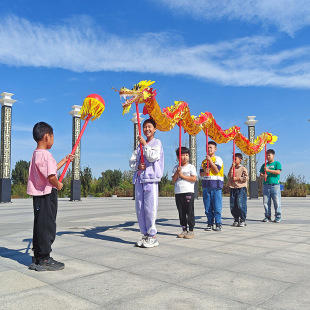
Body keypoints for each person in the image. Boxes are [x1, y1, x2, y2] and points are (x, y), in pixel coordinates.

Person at [27, 122, 74, 271]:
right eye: (53, 137)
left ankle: (39, 256)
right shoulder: (46, 155)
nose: (53, 140)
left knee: (39, 225)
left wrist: (65, 160)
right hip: (47, 194)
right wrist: (58, 184)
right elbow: (51, 175)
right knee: (48, 225)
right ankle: (45, 258)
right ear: (47, 137)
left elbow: (51, 168)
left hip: (38, 195)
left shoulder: (36, 154)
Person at [129, 118, 164, 248]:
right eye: (145, 127)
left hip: (151, 179)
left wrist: (145, 144)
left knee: (150, 208)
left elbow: (152, 157)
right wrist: (138, 166)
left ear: (155, 129)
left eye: (150, 127)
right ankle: (144, 234)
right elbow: (132, 161)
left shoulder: (157, 143)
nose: (147, 129)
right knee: (140, 208)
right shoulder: (139, 146)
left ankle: (152, 235)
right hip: (139, 179)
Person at [172, 147, 197, 239]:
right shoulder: (176, 168)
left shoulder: (191, 167)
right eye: (182, 155)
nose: (185, 157)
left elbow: (194, 178)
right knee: (181, 212)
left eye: (187, 155)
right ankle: (184, 229)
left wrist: (182, 175)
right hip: (178, 192)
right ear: (178, 157)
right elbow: (174, 180)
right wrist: (177, 173)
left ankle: (191, 230)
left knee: (189, 211)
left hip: (188, 192)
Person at [200, 141, 224, 231]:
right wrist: (204, 172)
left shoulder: (218, 159)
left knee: (217, 206)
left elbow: (217, 170)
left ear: (215, 149)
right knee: (207, 206)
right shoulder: (203, 161)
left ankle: (218, 223)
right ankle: (210, 223)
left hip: (216, 186)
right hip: (206, 186)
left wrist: (210, 160)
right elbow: (201, 174)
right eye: (208, 147)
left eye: (211, 147)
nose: (209, 149)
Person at [259, 149, 282, 223]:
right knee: (266, 201)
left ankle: (278, 216)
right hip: (266, 185)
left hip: (275, 185)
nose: (267, 157)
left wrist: (268, 170)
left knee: (277, 201)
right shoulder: (264, 165)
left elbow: (278, 172)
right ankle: (267, 216)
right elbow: (261, 174)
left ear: (273, 155)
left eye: (269, 155)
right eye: (266, 155)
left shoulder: (277, 163)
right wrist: (263, 175)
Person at [228, 153, 248, 227]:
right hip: (233, 188)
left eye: (235, 159)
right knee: (233, 205)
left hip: (241, 188)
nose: (234, 160)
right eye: (233, 159)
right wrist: (231, 168)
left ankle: (242, 219)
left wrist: (238, 178)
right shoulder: (232, 168)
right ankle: (236, 219)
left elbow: (246, 178)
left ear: (240, 160)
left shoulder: (243, 168)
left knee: (241, 204)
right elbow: (229, 175)